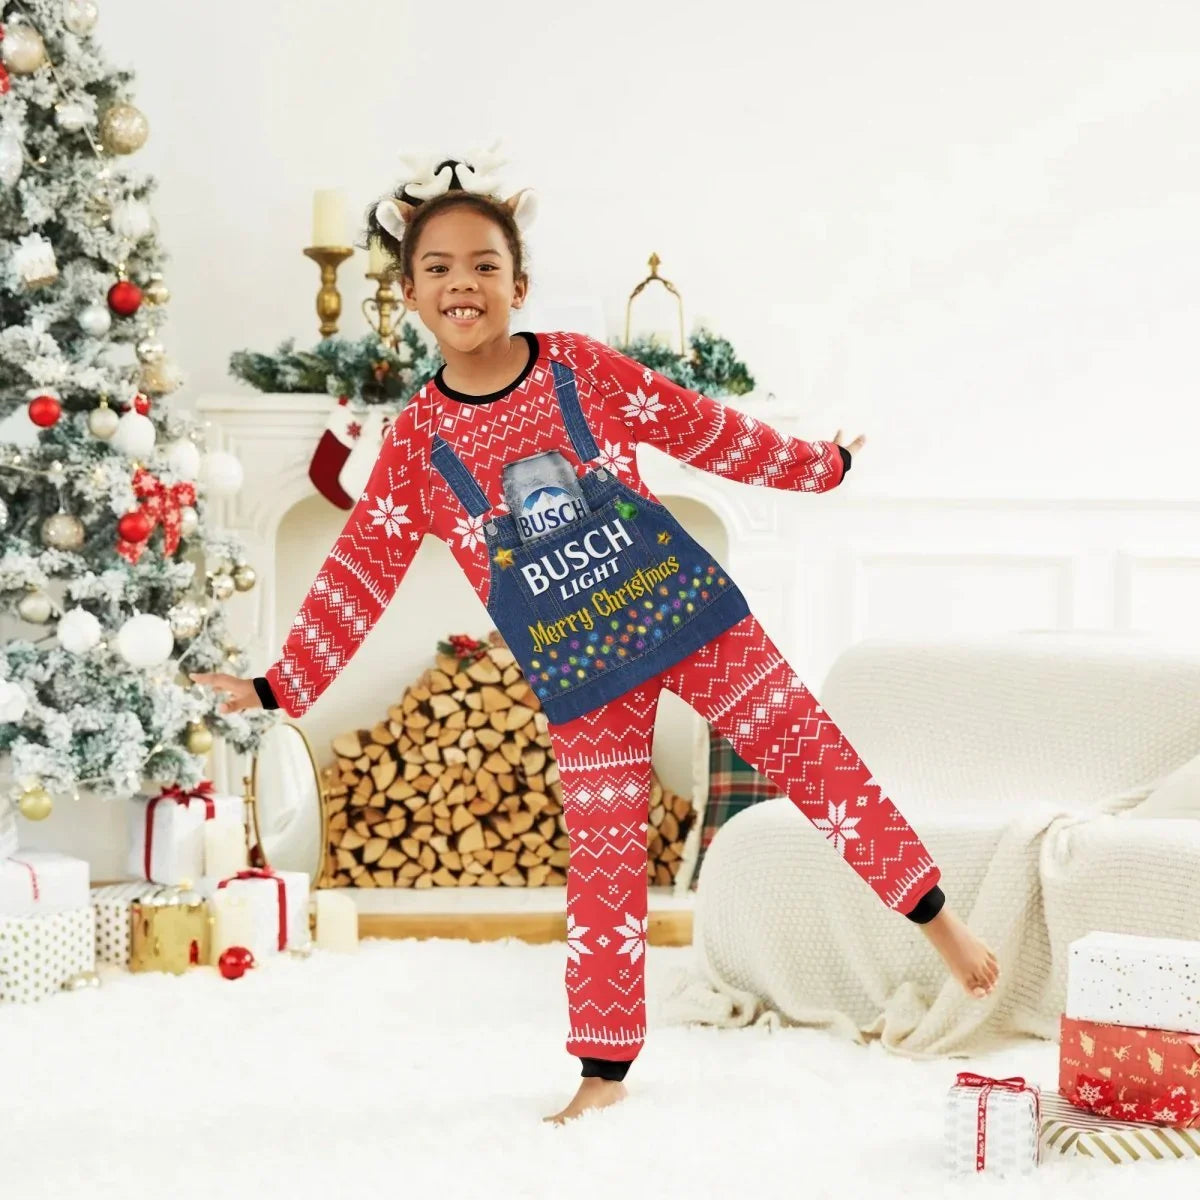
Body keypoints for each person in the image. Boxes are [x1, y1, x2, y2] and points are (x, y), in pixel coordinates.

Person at [193, 154, 998, 1125]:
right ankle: (602, 1074)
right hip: (581, 670)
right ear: (408, 293)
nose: (463, 283)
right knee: (606, 866)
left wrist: (818, 468)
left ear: (518, 285)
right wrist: (280, 688)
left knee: (816, 758)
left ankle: (939, 923)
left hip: (691, 618)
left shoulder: (576, 365)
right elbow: (360, 572)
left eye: (485, 264)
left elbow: (700, 427)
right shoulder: (412, 446)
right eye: (439, 267)